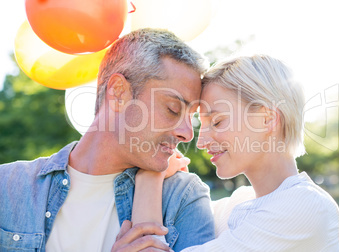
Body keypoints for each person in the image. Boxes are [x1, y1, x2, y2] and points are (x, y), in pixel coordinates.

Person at [0, 28, 215, 252]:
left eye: (192, 116)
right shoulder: (8, 187)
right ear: (119, 92)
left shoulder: (183, 197)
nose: (188, 133)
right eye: (173, 109)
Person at [124, 54, 339, 251]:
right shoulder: (238, 203)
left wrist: (150, 174)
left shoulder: (305, 206)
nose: (201, 142)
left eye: (217, 122)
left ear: (267, 120)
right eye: (203, 125)